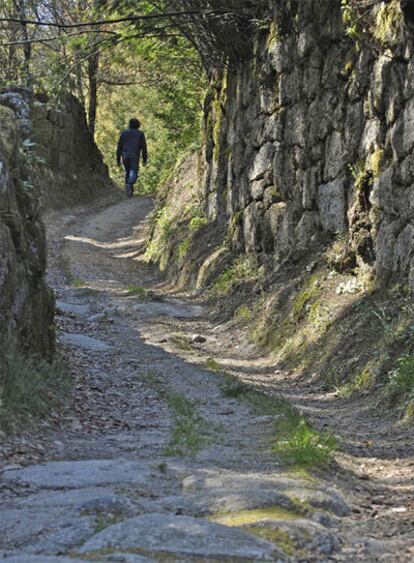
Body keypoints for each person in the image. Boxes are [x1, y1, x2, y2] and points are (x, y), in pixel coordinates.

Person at [116, 118, 148, 198]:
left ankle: (129, 193)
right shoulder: (140, 134)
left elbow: (119, 146)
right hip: (134, 154)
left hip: (125, 154)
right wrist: (144, 159)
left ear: (129, 124)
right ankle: (129, 184)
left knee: (127, 172)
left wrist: (118, 158)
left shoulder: (124, 133)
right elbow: (144, 147)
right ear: (138, 125)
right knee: (134, 172)